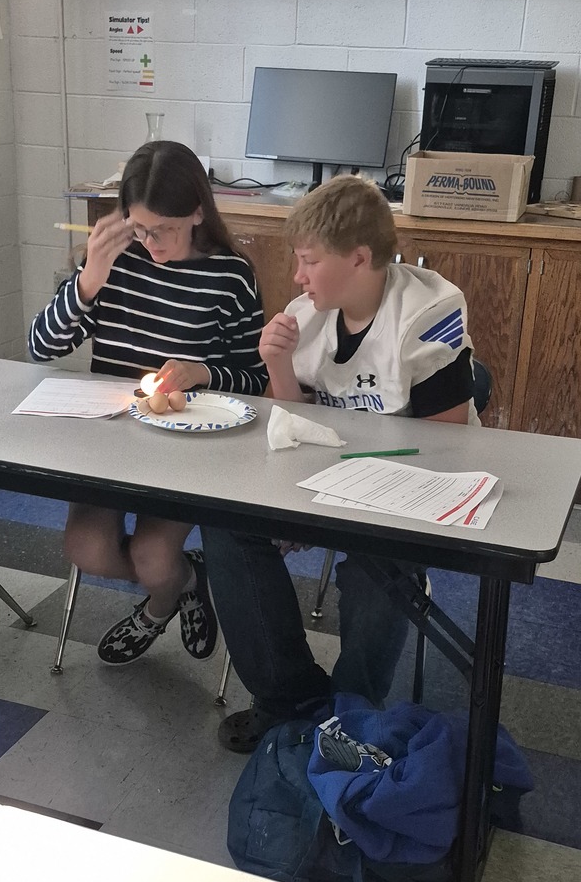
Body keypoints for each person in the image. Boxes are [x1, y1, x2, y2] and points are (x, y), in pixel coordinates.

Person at [202, 174, 479, 752]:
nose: (297, 276)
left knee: (378, 564)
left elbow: (447, 441)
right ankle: (291, 701)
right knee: (229, 528)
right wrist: (276, 363)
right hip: (329, 476)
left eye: (308, 261)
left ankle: (351, 715)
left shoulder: (426, 312)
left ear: (359, 258)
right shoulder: (308, 314)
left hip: (415, 485)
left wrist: (336, 491)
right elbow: (294, 420)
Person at [29, 140, 268, 666]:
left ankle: (163, 598)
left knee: (155, 558)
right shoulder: (113, 263)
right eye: (140, 228)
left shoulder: (230, 276)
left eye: (166, 229)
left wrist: (203, 372)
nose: (152, 243)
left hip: (185, 450)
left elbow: (256, 380)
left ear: (198, 212)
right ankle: (186, 584)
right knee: (86, 549)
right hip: (111, 442)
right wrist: (90, 278)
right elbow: (40, 347)